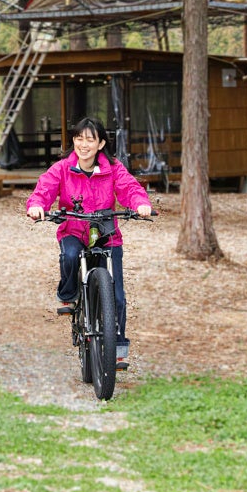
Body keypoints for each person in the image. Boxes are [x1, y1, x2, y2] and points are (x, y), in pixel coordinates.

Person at [26, 117, 152, 361]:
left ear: (101, 143)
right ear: (74, 141)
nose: (84, 144)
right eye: (79, 138)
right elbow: (44, 189)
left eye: (90, 139)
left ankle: (117, 348)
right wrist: (37, 206)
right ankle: (69, 294)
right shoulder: (62, 168)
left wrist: (141, 204)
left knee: (116, 295)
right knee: (70, 255)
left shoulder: (113, 168)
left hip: (107, 233)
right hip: (74, 229)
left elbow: (130, 189)